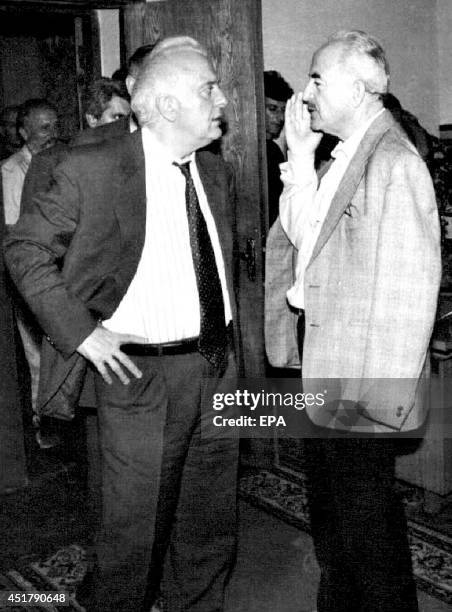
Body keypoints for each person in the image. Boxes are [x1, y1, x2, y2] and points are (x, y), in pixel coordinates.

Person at [5, 36, 239, 612]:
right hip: (140, 378)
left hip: (217, 367)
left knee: (209, 523)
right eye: (209, 88)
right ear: (164, 106)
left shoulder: (213, 172)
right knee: (132, 538)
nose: (223, 100)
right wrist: (82, 332)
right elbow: (24, 250)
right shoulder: (92, 167)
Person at [265, 30, 440, 611]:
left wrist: (380, 405)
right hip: (326, 371)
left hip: (361, 386)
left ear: (361, 89)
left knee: (370, 536)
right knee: (335, 525)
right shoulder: (344, 154)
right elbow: (302, 236)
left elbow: (412, 292)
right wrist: (297, 155)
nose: (307, 91)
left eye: (318, 78)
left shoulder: (394, 160)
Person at [1, 98, 59, 448]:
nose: (53, 134)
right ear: (23, 132)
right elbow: (13, 231)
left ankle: (61, 419)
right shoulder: (8, 172)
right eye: (43, 128)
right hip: (29, 273)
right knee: (37, 354)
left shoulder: (63, 160)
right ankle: (45, 426)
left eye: (55, 125)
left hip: (61, 269)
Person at [263, 70, 293, 226]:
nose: (281, 118)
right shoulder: (253, 151)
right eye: (273, 109)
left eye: (283, 110)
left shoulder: (273, 151)